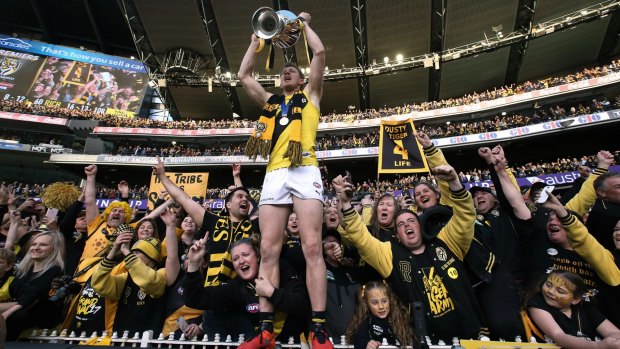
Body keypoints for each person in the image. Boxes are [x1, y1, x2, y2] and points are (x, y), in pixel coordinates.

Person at [238, 10, 331, 349]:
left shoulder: (312, 95)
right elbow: (244, 75)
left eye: (292, 69)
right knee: (268, 248)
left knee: (311, 247)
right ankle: (265, 329)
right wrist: (256, 43)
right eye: (282, 71)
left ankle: (319, 329)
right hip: (275, 172)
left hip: (305, 168)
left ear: (301, 77)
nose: (286, 70)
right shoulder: (271, 103)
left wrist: (304, 24)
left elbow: (319, 54)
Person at [333, 163, 488, 342]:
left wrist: (454, 182)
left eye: (411, 221)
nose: (406, 225)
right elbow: (361, 237)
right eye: (400, 224)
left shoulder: (446, 241)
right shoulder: (389, 254)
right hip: (426, 342)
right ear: (397, 235)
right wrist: (345, 202)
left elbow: (465, 214)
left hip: (471, 336)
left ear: (420, 226)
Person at [183, 235, 309, 344]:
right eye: (236, 259)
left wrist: (271, 293)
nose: (241, 261)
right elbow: (196, 299)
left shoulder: (282, 269)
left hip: (292, 342)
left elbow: (301, 305)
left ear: (258, 256)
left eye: (245, 255)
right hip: (260, 343)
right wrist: (194, 264)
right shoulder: (236, 286)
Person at [526, 270, 620, 348]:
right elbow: (558, 336)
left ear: (575, 299)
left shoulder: (586, 308)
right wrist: (599, 346)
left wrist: (614, 342)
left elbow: (615, 332)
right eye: (548, 284)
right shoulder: (537, 303)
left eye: (560, 291)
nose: (550, 291)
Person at [1, 230, 65, 340]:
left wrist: (6, 314)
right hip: (19, 313)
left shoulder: (55, 270)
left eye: (43, 245)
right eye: (34, 244)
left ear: (54, 249)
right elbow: (6, 253)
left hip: (41, 322)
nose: (36, 247)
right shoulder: (24, 269)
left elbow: (33, 295)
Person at [346, 281, 416, 349]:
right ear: (367, 304)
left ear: (390, 300)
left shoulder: (400, 319)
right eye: (374, 302)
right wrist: (366, 344)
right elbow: (358, 341)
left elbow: (413, 342)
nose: (381, 306)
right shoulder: (364, 321)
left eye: (384, 301)